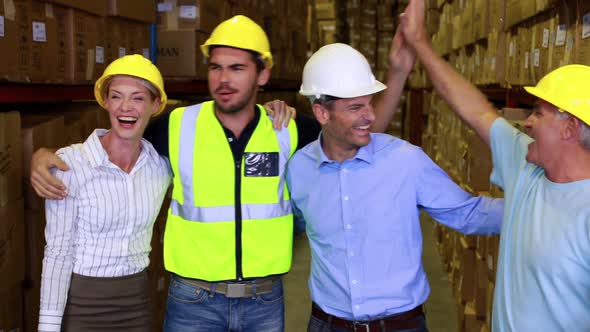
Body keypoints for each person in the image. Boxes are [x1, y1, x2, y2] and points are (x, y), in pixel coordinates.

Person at [30, 15, 408, 331]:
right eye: (216, 67)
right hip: (193, 302)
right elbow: (116, 139)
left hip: (264, 301)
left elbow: (362, 133)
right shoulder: (177, 126)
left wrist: (399, 70)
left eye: (237, 68)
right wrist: (44, 156)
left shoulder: (289, 131)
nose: (224, 79)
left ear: (263, 75)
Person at [398, 0, 590, 331]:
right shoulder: (527, 169)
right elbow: (475, 110)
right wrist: (420, 44)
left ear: (569, 128)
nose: (526, 123)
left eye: (538, 114)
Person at [286, 42, 504, 332]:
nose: (370, 116)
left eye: (369, 103)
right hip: (328, 324)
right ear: (322, 114)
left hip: (401, 326)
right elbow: (288, 224)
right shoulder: (299, 169)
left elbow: (469, 214)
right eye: (356, 107)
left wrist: (547, 205)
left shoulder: (405, 160)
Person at [37, 55, 172, 331]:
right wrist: (48, 327)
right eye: (116, 96)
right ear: (106, 102)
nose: (126, 107)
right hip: (82, 307)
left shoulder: (161, 167)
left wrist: (264, 113)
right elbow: (58, 253)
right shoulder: (70, 164)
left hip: (136, 304)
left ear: (155, 104)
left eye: (137, 98)